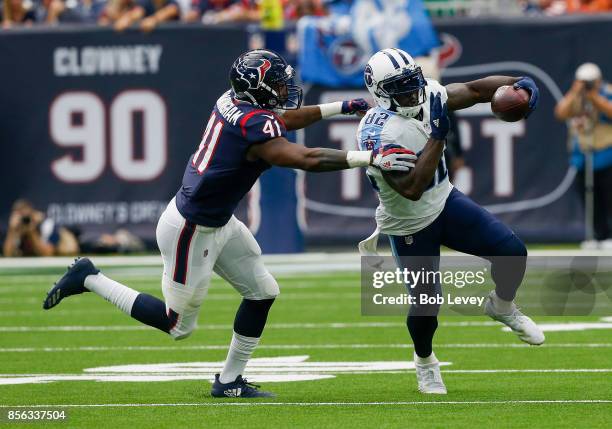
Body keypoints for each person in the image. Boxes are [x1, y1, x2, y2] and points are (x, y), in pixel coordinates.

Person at [42, 49, 415, 398]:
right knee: (177, 326)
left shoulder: (234, 101)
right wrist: (369, 157)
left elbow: (280, 119)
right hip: (191, 229)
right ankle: (89, 276)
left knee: (263, 292)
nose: (286, 90)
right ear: (260, 88)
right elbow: (303, 157)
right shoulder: (253, 126)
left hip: (217, 221)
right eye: (279, 85)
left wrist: (338, 107)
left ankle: (229, 380)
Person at [357, 48, 544, 395]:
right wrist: (439, 135)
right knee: (427, 303)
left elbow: (474, 91)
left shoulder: (426, 94)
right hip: (409, 221)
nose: (414, 93)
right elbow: (412, 188)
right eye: (402, 87)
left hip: (445, 201)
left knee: (512, 251)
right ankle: (425, 362)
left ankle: (502, 305)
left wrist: (519, 85)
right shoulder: (378, 132)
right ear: (380, 93)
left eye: (413, 82)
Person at [555, 62, 612, 249]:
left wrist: (594, 96)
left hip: (605, 153)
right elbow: (561, 113)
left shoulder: (607, 91)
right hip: (583, 154)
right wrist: (574, 91)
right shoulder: (575, 97)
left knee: (607, 197)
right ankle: (596, 235)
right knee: (589, 197)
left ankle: (608, 236)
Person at [3, 199, 79, 257]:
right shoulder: (17, 228)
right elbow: (8, 254)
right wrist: (11, 230)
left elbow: (48, 253)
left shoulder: (46, 224)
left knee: (69, 248)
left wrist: (32, 232)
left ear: (32, 213)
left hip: (63, 246)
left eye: (27, 216)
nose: (25, 220)